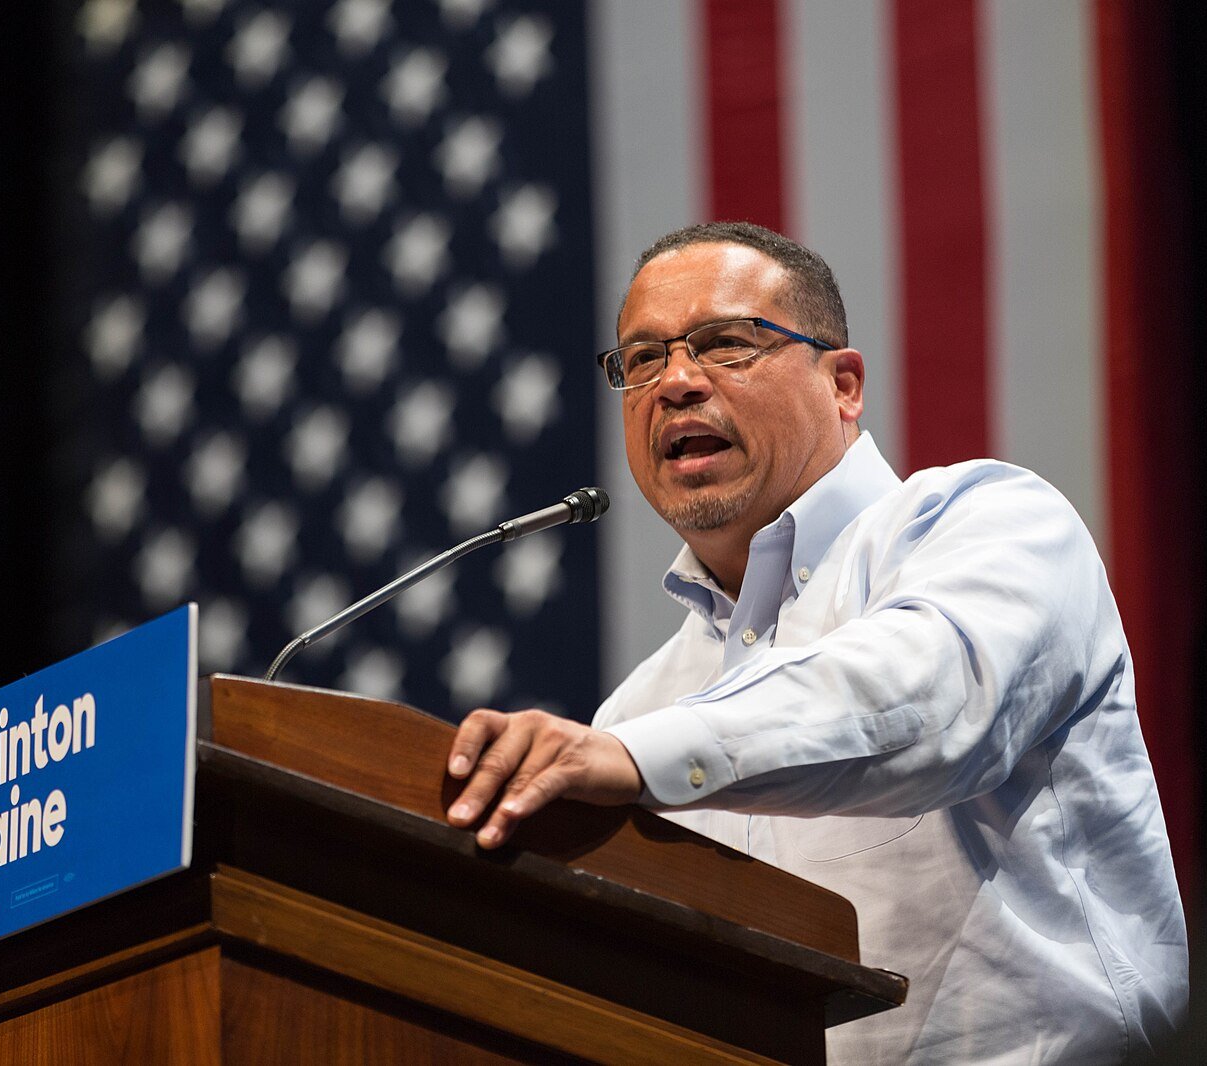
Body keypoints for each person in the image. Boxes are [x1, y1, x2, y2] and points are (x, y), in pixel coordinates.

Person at [444, 221, 1187, 1063]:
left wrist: (636, 760)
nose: (675, 381)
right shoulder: (643, 706)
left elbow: (928, 703)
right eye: (642, 359)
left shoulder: (993, 523)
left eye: (725, 344)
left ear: (842, 385)